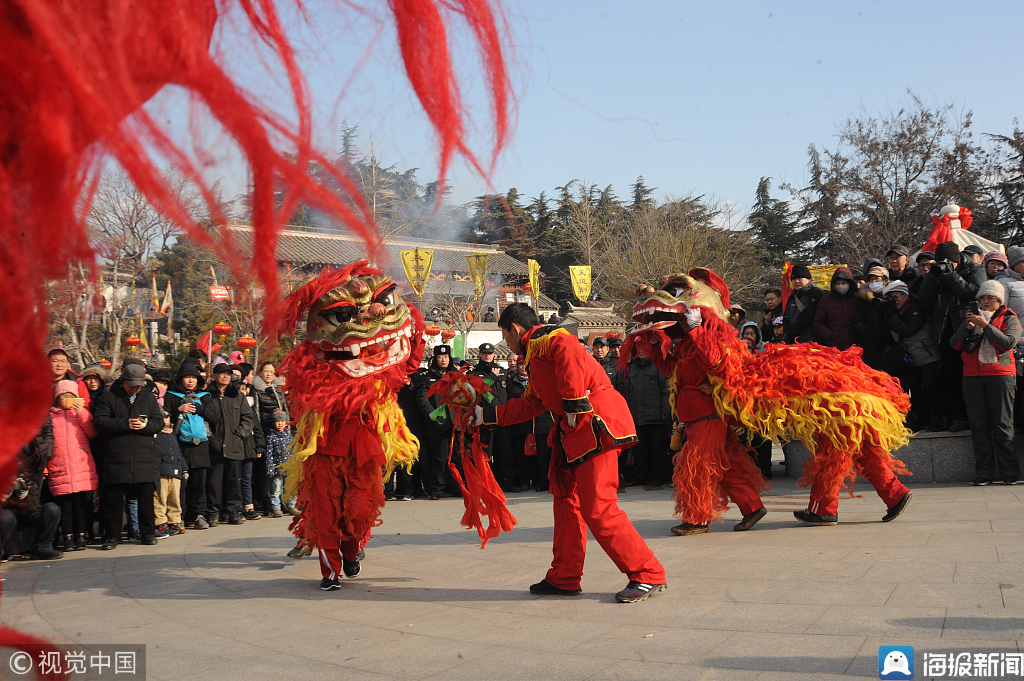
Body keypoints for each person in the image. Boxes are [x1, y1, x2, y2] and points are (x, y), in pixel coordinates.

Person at [481, 303, 667, 603]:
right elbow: (530, 404)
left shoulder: (551, 339)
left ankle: (648, 573)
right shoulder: (537, 354)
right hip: (574, 432)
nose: (507, 343)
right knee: (567, 505)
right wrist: (484, 415)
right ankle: (565, 576)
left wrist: (573, 403)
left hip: (594, 424)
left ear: (514, 330)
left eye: (505, 335)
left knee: (599, 507)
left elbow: (568, 353)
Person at [951, 280, 1022, 486]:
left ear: (999, 300)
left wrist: (986, 326)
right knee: (979, 426)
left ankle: (1010, 473)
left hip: (1001, 375)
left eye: (990, 297)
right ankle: (983, 473)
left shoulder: (1010, 318)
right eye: (982, 297)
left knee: (1002, 424)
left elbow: (1008, 342)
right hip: (972, 376)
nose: (986, 301)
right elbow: (954, 345)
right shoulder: (972, 319)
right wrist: (967, 328)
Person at [92, 363, 164, 548]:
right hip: (118, 456)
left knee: (146, 499)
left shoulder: (148, 398)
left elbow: (159, 422)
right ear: (123, 381)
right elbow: (100, 421)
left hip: (143, 456)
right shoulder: (109, 397)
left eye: (139, 385)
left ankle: (148, 533)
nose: (136, 388)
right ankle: (112, 536)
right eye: (132, 384)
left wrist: (145, 426)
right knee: (113, 500)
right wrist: (125, 423)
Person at [919, 240, 989, 432]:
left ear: (957, 260)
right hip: (944, 330)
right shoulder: (936, 271)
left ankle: (976, 416)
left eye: (948, 262)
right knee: (950, 375)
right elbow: (924, 297)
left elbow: (976, 292)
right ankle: (957, 417)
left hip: (969, 328)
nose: (945, 265)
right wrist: (935, 276)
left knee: (970, 376)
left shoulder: (974, 268)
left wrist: (952, 277)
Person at [879, 281, 943, 432]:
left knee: (928, 388)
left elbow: (907, 329)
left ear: (905, 296)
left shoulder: (917, 308)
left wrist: (889, 314)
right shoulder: (893, 311)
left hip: (929, 356)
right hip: (910, 359)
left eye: (895, 297)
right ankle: (920, 420)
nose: (893, 301)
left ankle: (938, 419)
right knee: (913, 391)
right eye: (889, 297)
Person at [164, 361, 219, 530]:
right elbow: (165, 417)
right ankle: (180, 516)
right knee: (181, 483)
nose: (190, 381)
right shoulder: (171, 396)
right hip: (180, 446)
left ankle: (198, 515)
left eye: (194, 378)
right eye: (187, 377)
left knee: (200, 483)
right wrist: (178, 409)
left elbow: (215, 418)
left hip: (201, 446)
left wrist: (201, 409)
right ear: (180, 379)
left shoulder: (205, 396)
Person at [47, 380, 99, 551]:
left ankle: (82, 535)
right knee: (65, 506)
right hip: (59, 466)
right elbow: (45, 443)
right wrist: (46, 467)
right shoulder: (50, 416)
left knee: (81, 504)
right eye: (64, 396)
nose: (68, 399)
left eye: (71, 396)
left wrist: (82, 413)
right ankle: (68, 536)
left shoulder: (81, 414)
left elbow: (92, 432)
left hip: (81, 466)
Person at [1, 417, 63, 560]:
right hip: (9, 529)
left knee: (51, 509)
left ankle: (43, 547)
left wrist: (24, 497)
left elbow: (48, 432)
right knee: (6, 515)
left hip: (35, 456)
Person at [621, 346, 672, 489]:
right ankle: (640, 477)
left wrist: (664, 410)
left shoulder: (658, 366)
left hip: (657, 417)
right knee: (640, 450)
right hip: (638, 417)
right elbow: (629, 393)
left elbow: (666, 390)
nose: (642, 351)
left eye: (645, 348)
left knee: (657, 449)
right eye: (639, 349)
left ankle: (657, 477)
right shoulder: (633, 369)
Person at [207, 363, 252, 525]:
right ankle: (213, 513)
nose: (225, 376)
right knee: (214, 482)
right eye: (222, 373)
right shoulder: (207, 395)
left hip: (235, 445)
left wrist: (240, 434)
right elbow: (203, 420)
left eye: (228, 374)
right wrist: (210, 437)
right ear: (214, 375)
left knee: (234, 481)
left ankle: (234, 512)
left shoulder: (237, 396)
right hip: (215, 446)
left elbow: (248, 418)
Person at [472, 343, 516, 491]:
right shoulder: (475, 373)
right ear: (479, 354)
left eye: (490, 353)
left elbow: (510, 395)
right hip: (485, 419)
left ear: (494, 354)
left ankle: (507, 482)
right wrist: (491, 376)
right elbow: (478, 389)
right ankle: (485, 484)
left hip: (502, 418)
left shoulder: (502, 372)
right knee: (486, 454)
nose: (487, 355)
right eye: (484, 353)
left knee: (505, 453)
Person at [416, 345, 457, 499]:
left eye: (446, 356)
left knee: (457, 458)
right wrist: (433, 416)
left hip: (456, 423)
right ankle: (436, 489)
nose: (443, 359)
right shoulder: (427, 377)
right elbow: (422, 399)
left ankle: (455, 487)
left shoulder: (456, 375)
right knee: (440, 458)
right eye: (440, 357)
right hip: (438, 423)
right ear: (435, 359)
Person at [739, 322, 772, 478]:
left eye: (752, 334)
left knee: (762, 439)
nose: (749, 336)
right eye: (746, 333)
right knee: (744, 440)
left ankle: (764, 469)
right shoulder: (735, 360)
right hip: (742, 406)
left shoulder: (763, 358)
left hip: (761, 406)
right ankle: (747, 470)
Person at [155, 411, 187, 535]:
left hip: (176, 469)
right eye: (162, 417)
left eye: (167, 417)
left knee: (175, 498)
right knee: (160, 498)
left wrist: (184, 468)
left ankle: (175, 521)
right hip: (162, 469)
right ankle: (160, 522)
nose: (165, 420)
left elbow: (178, 452)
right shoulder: (156, 434)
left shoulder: (173, 434)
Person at [812, 267, 860, 350]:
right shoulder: (825, 300)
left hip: (855, 347)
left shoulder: (857, 300)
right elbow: (818, 322)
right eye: (838, 283)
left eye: (843, 283)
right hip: (833, 347)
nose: (841, 286)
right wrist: (828, 335)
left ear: (850, 283)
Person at [783, 264, 823, 344]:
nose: (796, 281)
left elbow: (807, 316)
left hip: (811, 341)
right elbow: (786, 317)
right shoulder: (792, 298)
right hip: (793, 340)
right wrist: (787, 334)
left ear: (808, 279)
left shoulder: (816, 294)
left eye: (799, 278)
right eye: (794, 279)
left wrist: (792, 332)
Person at [264, 411, 294, 516]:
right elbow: (269, 455)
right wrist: (270, 469)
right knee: (276, 489)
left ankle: (292, 506)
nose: (280, 423)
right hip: (276, 469)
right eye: (278, 421)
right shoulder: (271, 437)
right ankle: (276, 507)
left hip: (289, 468)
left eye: (282, 421)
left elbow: (294, 452)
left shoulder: (290, 437)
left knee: (290, 488)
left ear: (286, 423)